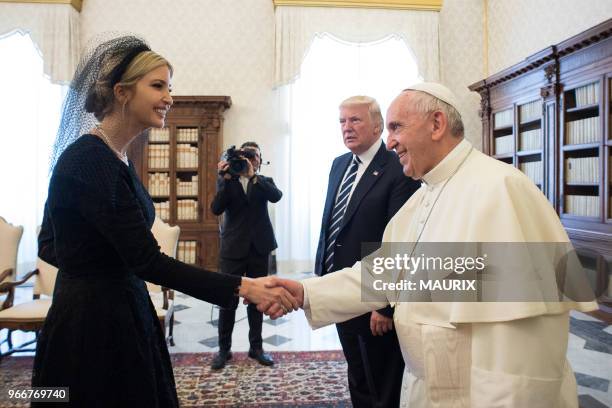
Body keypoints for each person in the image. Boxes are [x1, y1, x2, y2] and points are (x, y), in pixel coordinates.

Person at [264, 83, 597, 407]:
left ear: (436, 124)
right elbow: (382, 275)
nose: (390, 142)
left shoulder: (501, 190)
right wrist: (305, 292)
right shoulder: (424, 194)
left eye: (396, 128)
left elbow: (519, 355)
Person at [32, 35, 297, 408]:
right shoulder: (88, 161)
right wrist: (246, 288)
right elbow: (146, 261)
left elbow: (56, 246)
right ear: (122, 93)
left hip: (120, 309)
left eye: (169, 87)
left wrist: (103, 265)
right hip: (92, 327)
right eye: (157, 86)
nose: (169, 97)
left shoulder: (114, 157)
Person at [315, 95, 419, 407]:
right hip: (340, 288)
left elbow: (399, 242)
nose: (347, 128)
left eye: (355, 120)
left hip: (373, 294)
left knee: (383, 378)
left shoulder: (397, 167)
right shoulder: (339, 164)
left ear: (377, 126)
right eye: (342, 121)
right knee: (357, 370)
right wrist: (323, 279)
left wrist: (385, 305)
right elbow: (333, 223)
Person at [209, 141, 282, 369]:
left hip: (259, 248)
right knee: (227, 300)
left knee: (258, 300)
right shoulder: (227, 180)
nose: (251, 159)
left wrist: (252, 177)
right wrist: (224, 179)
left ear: (260, 160)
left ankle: (256, 348)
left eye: (255, 156)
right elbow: (216, 209)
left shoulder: (263, 182)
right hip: (233, 249)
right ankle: (224, 350)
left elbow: (277, 196)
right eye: (247, 155)